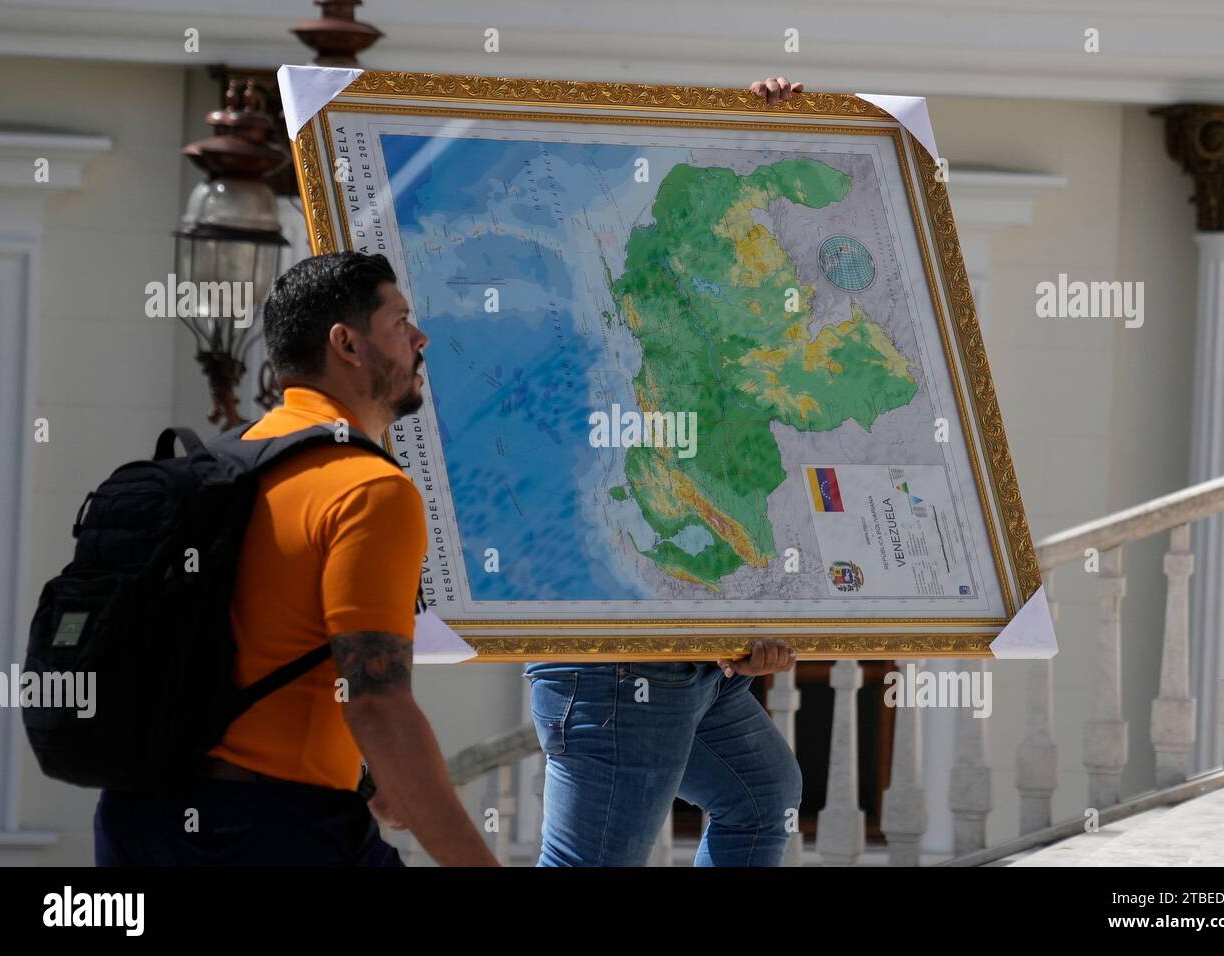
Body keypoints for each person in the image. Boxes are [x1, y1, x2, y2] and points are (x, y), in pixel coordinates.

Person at [94, 252, 499, 867]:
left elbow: (246, 654)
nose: (421, 338)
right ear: (347, 344)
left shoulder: (228, 464)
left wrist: (366, 778)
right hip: (271, 833)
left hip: (139, 822)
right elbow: (377, 703)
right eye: (399, 321)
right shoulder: (368, 489)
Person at [524, 75, 807, 867]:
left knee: (762, 798)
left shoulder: (714, 342)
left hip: (692, 656)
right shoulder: (597, 335)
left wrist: (773, 135)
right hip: (618, 664)